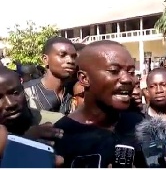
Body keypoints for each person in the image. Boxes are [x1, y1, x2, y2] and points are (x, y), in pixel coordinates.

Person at [54, 40, 136, 168]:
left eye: (131, 72)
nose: (127, 79)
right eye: (114, 71)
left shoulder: (142, 125)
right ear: (84, 79)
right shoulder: (61, 136)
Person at [23, 37, 77, 114]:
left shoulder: (76, 90)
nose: (70, 61)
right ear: (45, 59)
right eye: (62, 55)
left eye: (73, 57)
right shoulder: (26, 93)